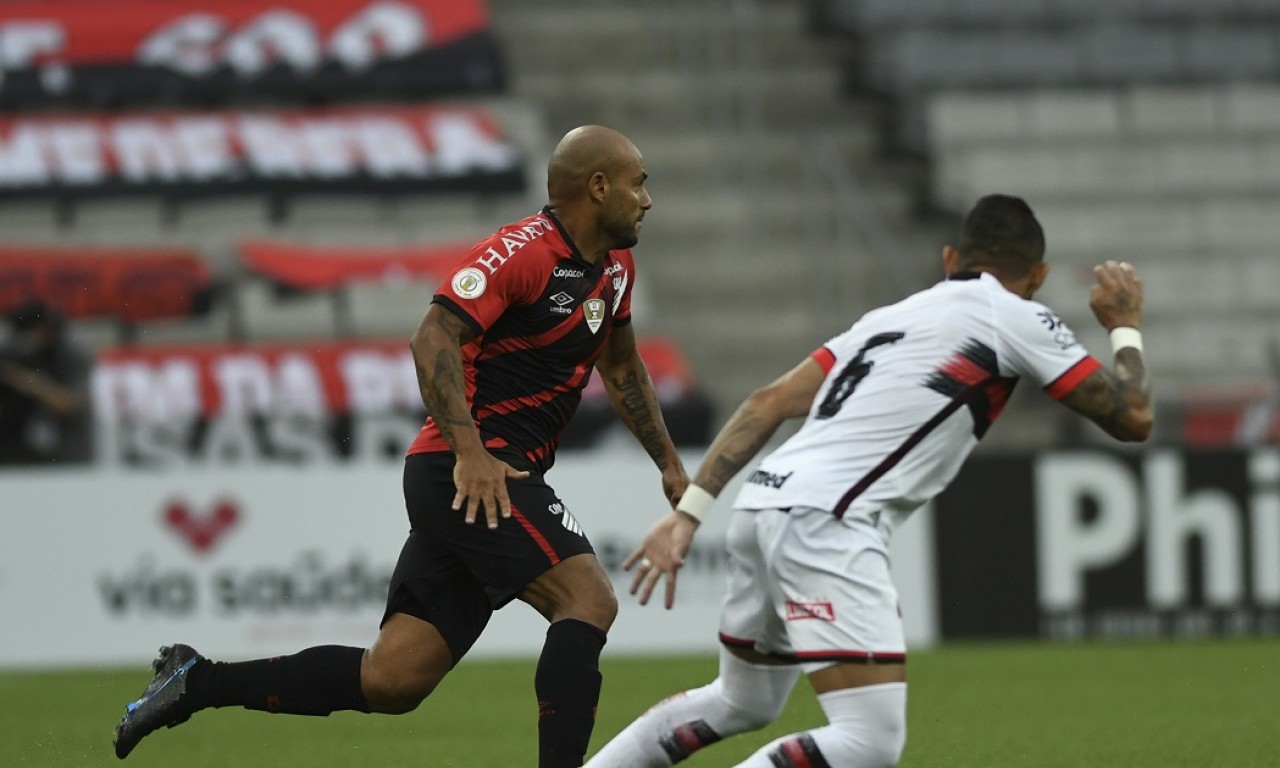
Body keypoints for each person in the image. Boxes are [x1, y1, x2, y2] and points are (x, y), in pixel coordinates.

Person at [113, 125, 691, 767]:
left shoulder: (615, 267)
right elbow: (433, 338)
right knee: (588, 599)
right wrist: (470, 452)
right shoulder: (521, 253)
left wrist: (667, 462)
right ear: (598, 186)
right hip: (468, 467)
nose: (647, 200)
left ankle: (196, 681)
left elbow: (622, 366)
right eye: (639, 183)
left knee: (392, 680)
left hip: (490, 472)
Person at [585, 194, 1153, 768]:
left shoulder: (887, 319)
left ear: (949, 256)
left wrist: (688, 515)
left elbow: (767, 403)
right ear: (1039, 275)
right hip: (826, 519)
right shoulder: (1016, 313)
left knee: (741, 699)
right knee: (867, 741)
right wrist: (1124, 327)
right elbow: (1133, 417)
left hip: (764, 501)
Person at [0, 298, 93, 465]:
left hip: (67, 453)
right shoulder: (12, 356)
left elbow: (73, 404)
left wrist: (33, 384)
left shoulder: (70, 356)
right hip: (16, 453)